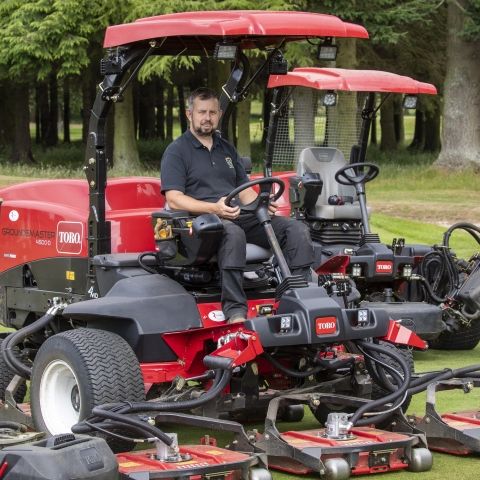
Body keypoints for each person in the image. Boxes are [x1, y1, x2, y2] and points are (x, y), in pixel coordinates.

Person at [161, 87, 314, 323]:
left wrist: (261, 204)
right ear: (189, 114)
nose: (207, 118)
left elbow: (245, 193)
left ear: (219, 114)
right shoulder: (177, 151)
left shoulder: (227, 150)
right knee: (232, 232)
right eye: (202, 112)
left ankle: (298, 298)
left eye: (212, 112)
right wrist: (214, 208)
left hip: (233, 213)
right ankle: (235, 311)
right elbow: (174, 199)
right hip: (199, 222)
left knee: (296, 229)